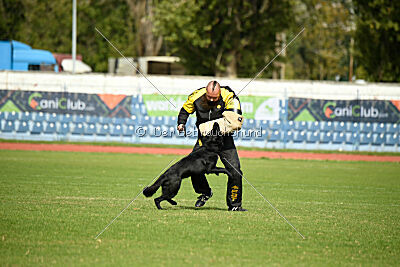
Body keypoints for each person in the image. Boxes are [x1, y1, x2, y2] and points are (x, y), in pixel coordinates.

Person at [177, 81, 247, 211]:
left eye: (214, 98)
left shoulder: (229, 95)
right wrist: (181, 123)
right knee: (193, 167)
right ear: (206, 92)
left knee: (235, 170)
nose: (211, 99)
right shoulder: (196, 96)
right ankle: (205, 192)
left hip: (224, 140)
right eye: (209, 96)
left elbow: (235, 116)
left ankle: (235, 205)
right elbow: (185, 110)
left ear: (219, 93)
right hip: (204, 141)